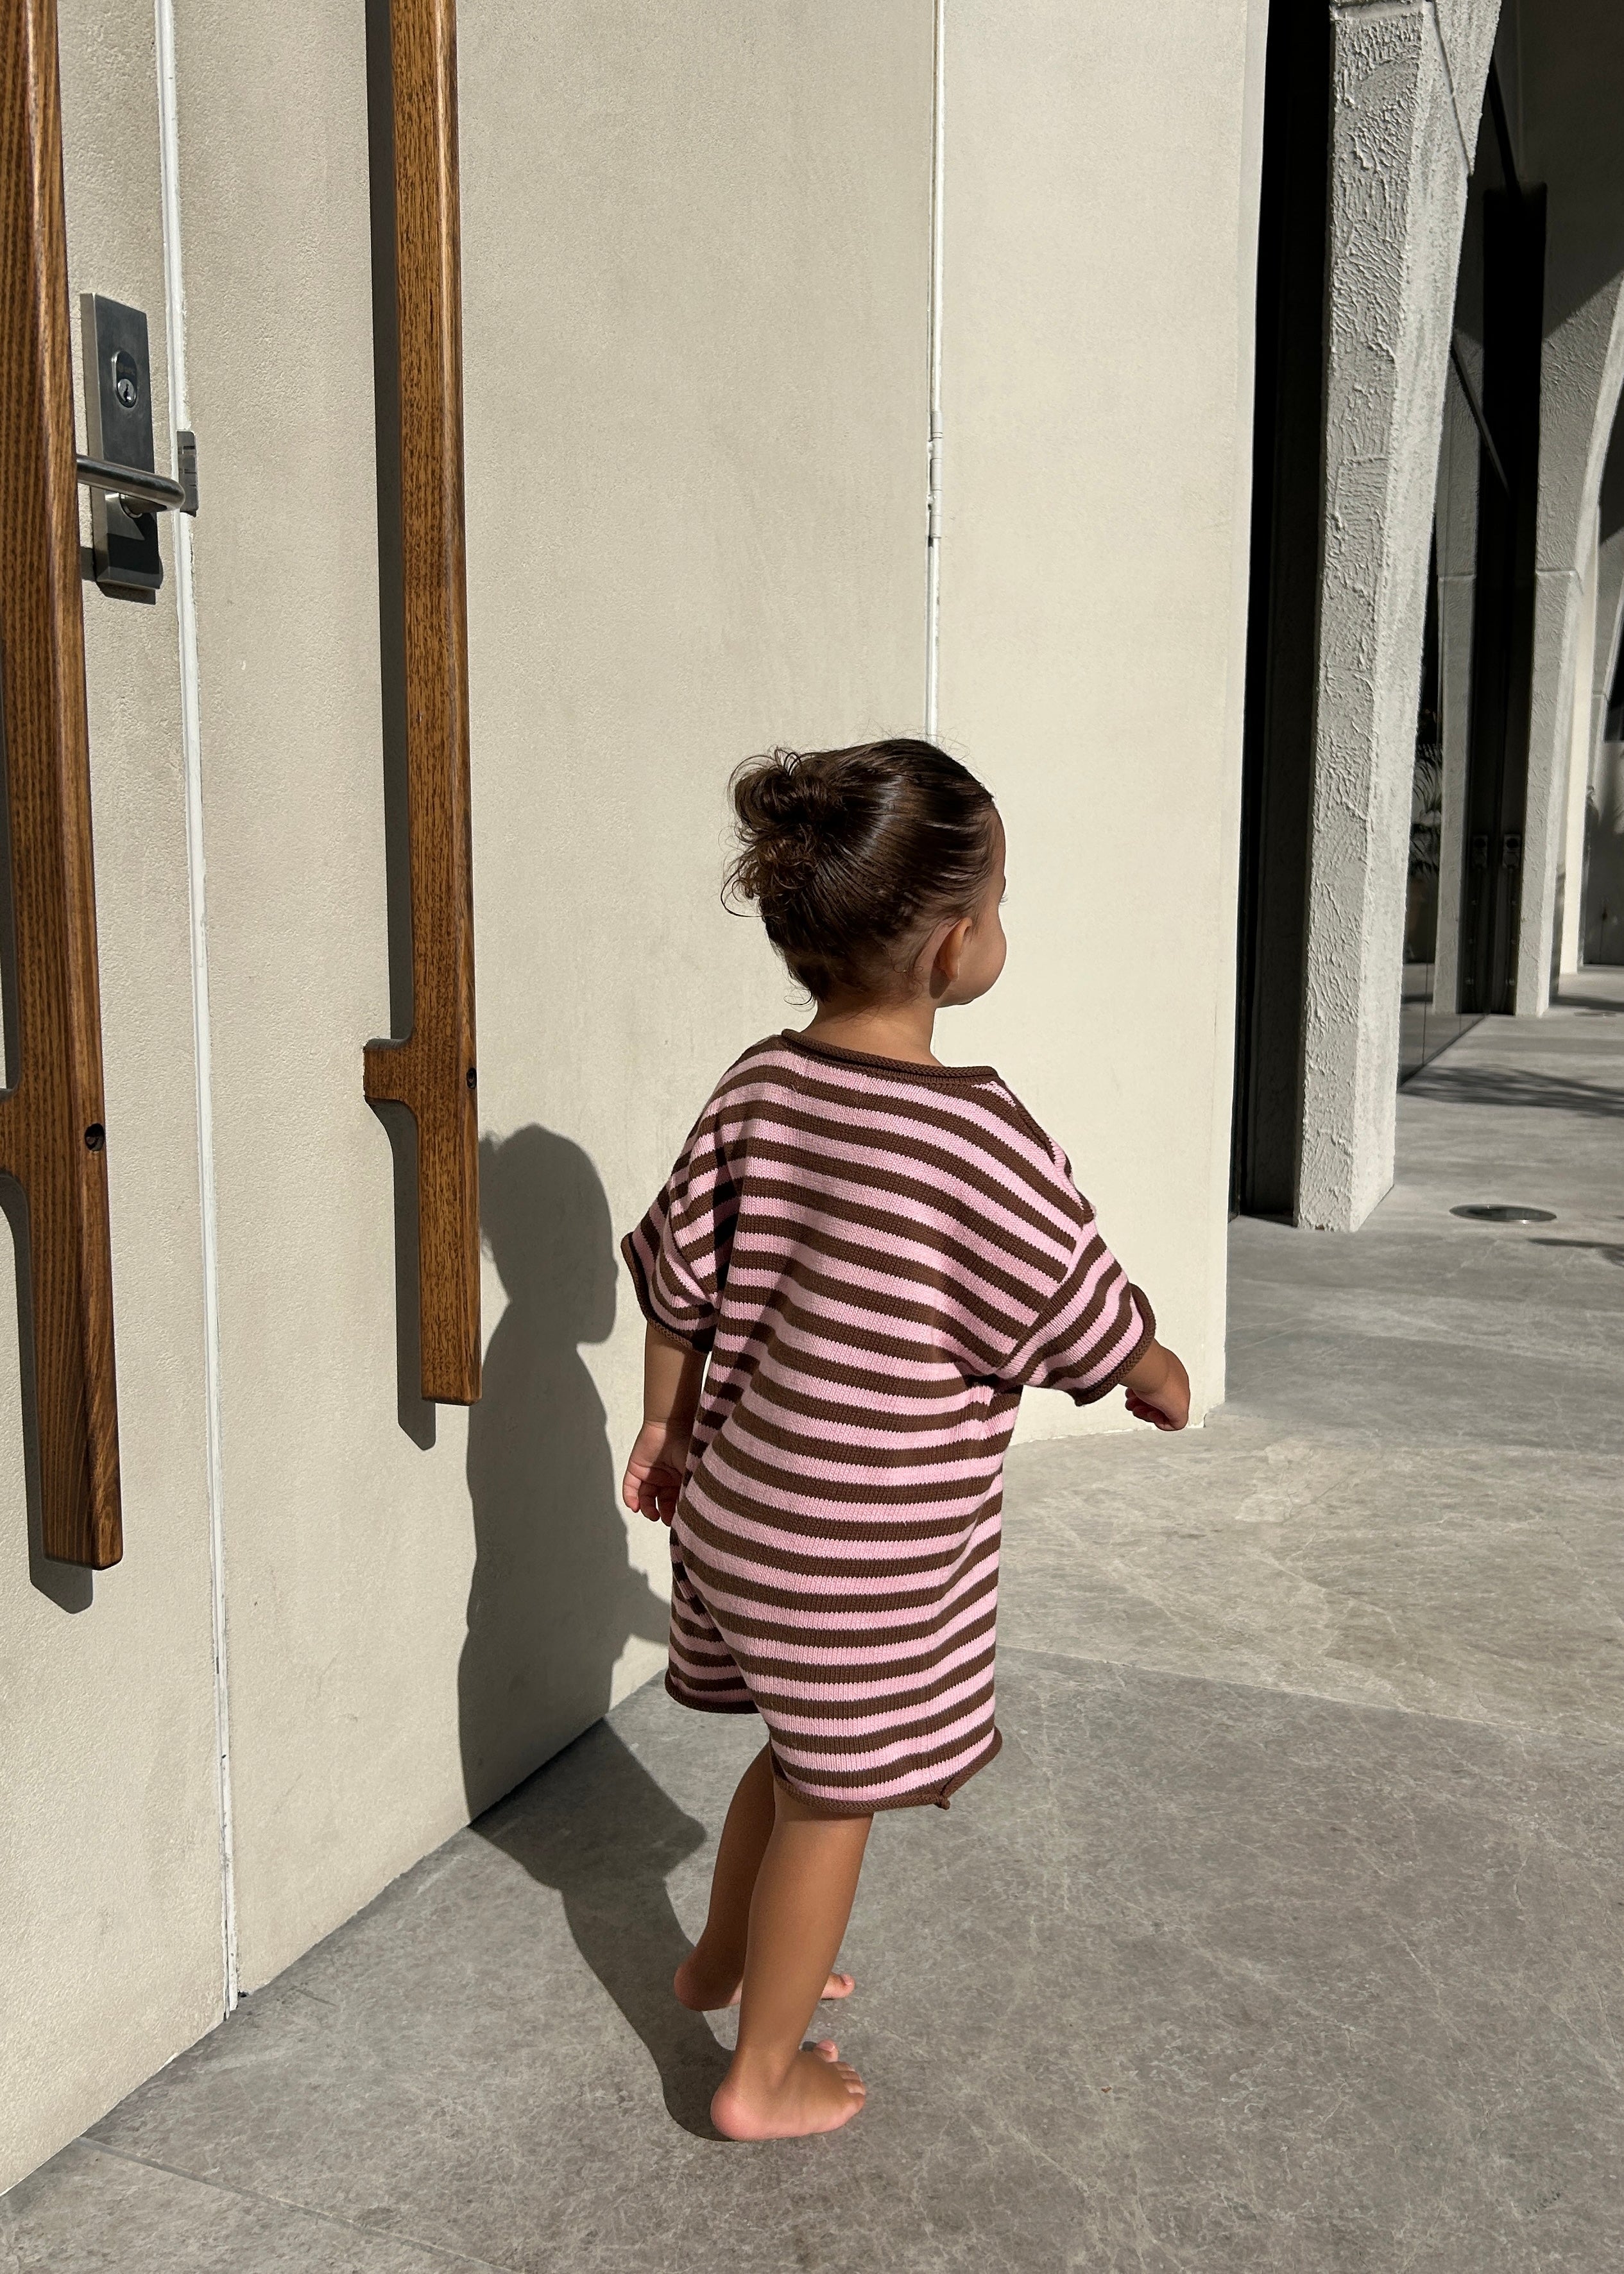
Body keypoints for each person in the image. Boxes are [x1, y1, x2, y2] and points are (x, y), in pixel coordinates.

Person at [619, 738, 1190, 2140]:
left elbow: (679, 1281)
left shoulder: (759, 1085)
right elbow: (1074, 1300)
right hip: (858, 1553)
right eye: (998, 902)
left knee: (790, 1758)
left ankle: (725, 1959)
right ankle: (761, 2073)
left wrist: (663, 1424)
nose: (1000, 926)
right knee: (839, 1796)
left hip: (742, 1513)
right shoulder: (977, 1138)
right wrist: (1152, 1365)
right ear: (950, 945)